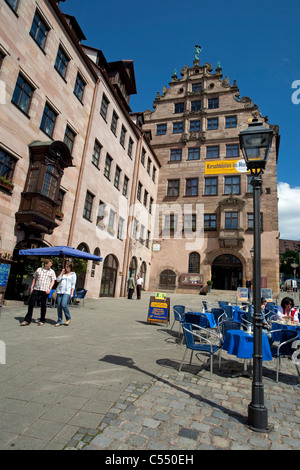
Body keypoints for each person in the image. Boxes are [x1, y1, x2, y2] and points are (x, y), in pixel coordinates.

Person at [21, 259, 56, 326]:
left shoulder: (52, 272)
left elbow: (53, 281)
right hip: (37, 288)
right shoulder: (39, 269)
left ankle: (42, 320)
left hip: (45, 290)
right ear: (46, 264)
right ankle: (27, 320)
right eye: (50, 263)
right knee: (31, 303)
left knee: (43, 305)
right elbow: (35, 278)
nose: (51, 265)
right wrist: (32, 287)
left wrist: (49, 289)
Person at [55, 261, 76, 326]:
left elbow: (73, 284)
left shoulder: (73, 274)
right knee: (59, 306)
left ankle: (68, 318)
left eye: (68, 267)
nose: (66, 268)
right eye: (66, 267)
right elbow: (58, 280)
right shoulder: (63, 274)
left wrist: (72, 293)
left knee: (63, 304)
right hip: (60, 291)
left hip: (67, 292)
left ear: (70, 267)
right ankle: (59, 321)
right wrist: (61, 272)